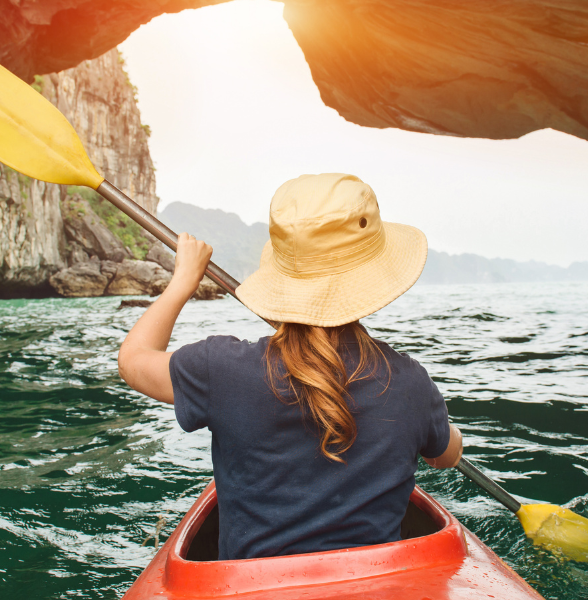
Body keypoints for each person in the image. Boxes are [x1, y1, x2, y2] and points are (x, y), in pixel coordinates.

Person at [118, 173, 463, 560]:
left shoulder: (220, 369)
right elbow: (446, 457)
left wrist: (183, 280)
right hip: (372, 583)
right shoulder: (411, 383)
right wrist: (428, 417)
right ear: (374, 274)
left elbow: (133, 360)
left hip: (249, 586)